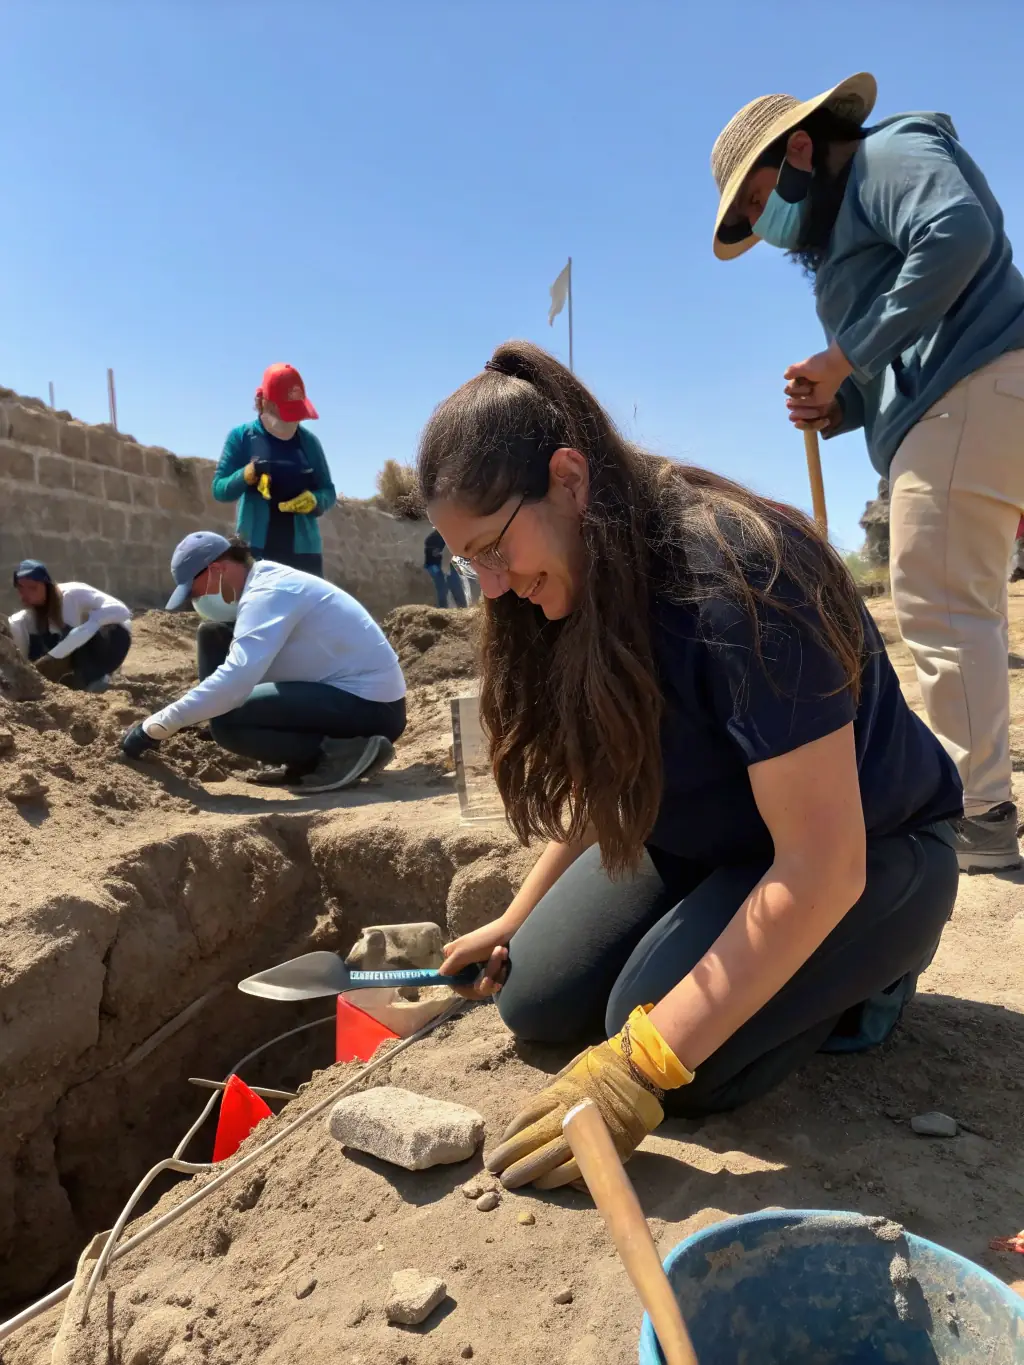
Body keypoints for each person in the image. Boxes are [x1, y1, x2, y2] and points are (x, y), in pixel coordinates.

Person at [425, 341, 962, 1192]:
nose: (491, 586)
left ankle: (874, 972)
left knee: (683, 1063)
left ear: (569, 478)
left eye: (494, 546)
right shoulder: (572, 585)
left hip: (866, 854)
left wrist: (637, 1068)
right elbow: (612, 783)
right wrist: (512, 920)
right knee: (535, 997)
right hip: (725, 844)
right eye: (469, 562)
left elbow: (821, 864)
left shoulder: (743, 576)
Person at [710, 73, 1024, 872]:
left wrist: (843, 356)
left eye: (754, 201)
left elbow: (956, 235)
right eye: (748, 221)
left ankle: (976, 811)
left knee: (944, 605)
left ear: (803, 149)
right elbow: (891, 359)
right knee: (965, 599)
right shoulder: (841, 234)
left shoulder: (889, 154)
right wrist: (837, 404)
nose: (760, 225)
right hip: (957, 396)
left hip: (970, 389)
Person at [120, 532, 406, 792]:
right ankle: (302, 760)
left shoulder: (268, 593)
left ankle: (342, 753)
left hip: (372, 707)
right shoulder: (262, 583)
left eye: (195, 592)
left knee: (228, 721)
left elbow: (237, 680)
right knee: (214, 634)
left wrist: (157, 726)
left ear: (217, 570)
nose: (196, 601)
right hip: (340, 695)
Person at [212, 363, 337, 577]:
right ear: (266, 404)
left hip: (304, 554)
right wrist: (246, 474)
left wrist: (315, 501)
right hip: (257, 550)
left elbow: (328, 491)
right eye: (287, 413)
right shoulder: (242, 437)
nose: (293, 421)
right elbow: (220, 489)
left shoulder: (309, 443)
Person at [8, 560, 131, 692]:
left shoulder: (70, 596)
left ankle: (95, 680)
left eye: (33, 588)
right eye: (20, 587)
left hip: (112, 640)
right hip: (76, 648)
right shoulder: (32, 613)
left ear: (47, 586)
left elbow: (123, 611)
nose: (25, 594)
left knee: (77, 636)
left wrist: (52, 657)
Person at [423, 528, 467, 608]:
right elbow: (431, 558)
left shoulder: (450, 537)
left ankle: (462, 608)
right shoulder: (433, 539)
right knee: (442, 589)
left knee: (456, 587)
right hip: (434, 565)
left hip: (447, 564)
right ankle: (444, 610)